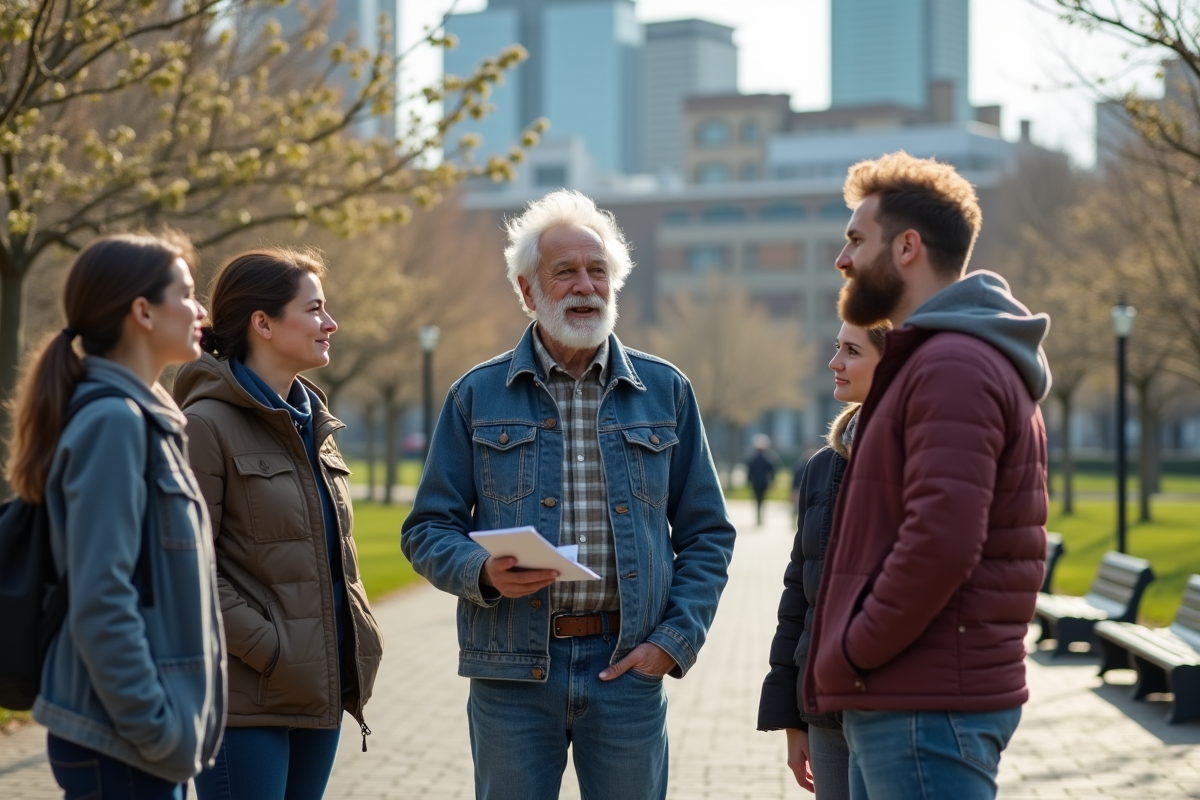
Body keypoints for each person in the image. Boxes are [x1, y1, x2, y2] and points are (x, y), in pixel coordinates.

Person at [401, 189, 736, 800]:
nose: (586, 285)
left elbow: (708, 533)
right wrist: (481, 570)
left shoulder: (666, 391)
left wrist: (673, 641)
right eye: (565, 272)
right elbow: (426, 528)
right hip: (512, 674)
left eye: (598, 270)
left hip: (628, 668)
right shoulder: (476, 396)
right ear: (528, 291)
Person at [804, 152, 1051, 800]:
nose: (843, 258)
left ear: (907, 247)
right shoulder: (940, 359)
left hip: (923, 704)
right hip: (910, 698)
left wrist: (852, 649)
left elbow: (940, 542)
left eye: (857, 239)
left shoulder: (953, 367)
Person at [6, 233, 225, 799]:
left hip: (136, 745)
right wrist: (155, 724)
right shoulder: (116, 424)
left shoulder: (145, 418)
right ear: (143, 311)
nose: (201, 311)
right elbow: (102, 597)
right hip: (121, 743)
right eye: (188, 293)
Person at [174, 248, 384, 800]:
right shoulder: (204, 427)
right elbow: (186, 567)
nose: (330, 323)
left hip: (319, 690)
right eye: (314, 309)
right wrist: (272, 650)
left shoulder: (313, 426)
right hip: (246, 699)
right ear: (262, 323)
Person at [758, 321, 888, 799]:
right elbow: (800, 596)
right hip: (826, 711)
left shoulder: (923, 458)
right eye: (836, 348)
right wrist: (792, 717)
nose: (834, 363)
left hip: (896, 712)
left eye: (851, 351)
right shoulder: (821, 468)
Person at [746, 434, 778, 526]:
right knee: (762, 499)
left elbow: (749, 471)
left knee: (757, 499)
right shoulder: (767, 458)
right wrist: (772, 481)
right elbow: (772, 471)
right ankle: (760, 516)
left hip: (756, 482)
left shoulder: (753, 458)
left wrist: (748, 481)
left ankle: (758, 516)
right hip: (764, 482)